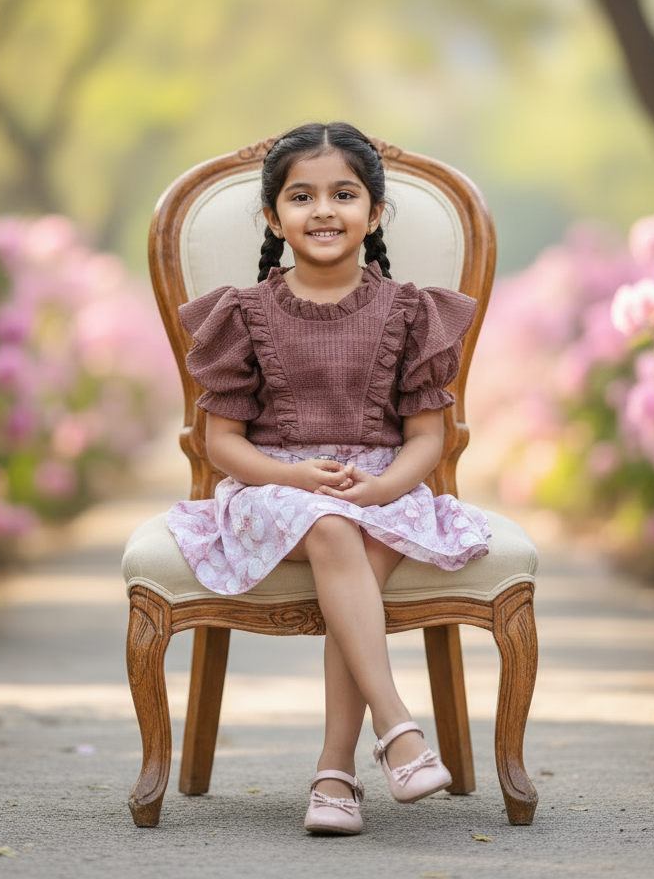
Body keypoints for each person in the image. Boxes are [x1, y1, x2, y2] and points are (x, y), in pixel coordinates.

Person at [167, 122, 491, 836]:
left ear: (374, 213)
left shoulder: (410, 312)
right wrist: (291, 474)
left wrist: (382, 488)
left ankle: (334, 774)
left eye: (344, 195)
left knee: (351, 542)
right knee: (330, 524)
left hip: (379, 490)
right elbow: (220, 441)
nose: (322, 211)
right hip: (272, 489)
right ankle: (398, 728)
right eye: (301, 196)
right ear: (272, 216)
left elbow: (426, 437)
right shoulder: (244, 313)